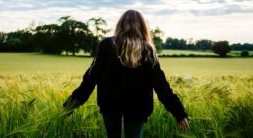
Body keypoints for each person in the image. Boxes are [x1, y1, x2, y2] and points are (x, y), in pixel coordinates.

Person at [62, 10, 189, 138]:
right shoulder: (147, 49)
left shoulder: (107, 45)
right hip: (138, 108)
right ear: (142, 26)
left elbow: (90, 78)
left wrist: (70, 105)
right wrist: (179, 114)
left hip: (110, 105)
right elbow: (162, 86)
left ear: (120, 25)